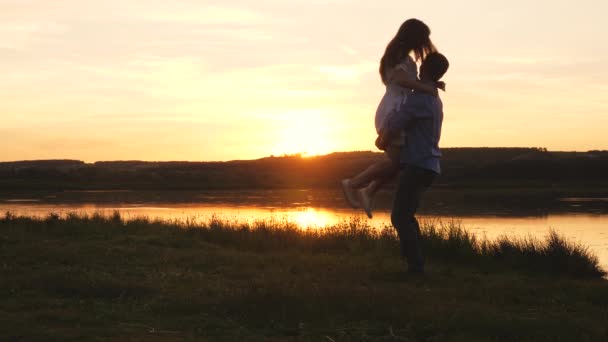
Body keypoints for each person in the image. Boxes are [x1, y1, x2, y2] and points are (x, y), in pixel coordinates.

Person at [341, 19, 442, 218]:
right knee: (397, 162)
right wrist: (428, 88)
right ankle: (353, 184)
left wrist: (432, 84)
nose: (425, 43)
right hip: (392, 110)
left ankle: (367, 191)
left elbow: (409, 81)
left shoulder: (403, 57)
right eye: (423, 38)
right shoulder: (398, 57)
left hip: (397, 107)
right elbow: (402, 80)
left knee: (400, 162)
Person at [376, 52, 450, 274]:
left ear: (425, 68)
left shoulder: (421, 98)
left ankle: (415, 267)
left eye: (421, 65)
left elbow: (398, 122)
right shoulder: (434, 97)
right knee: (406, 215)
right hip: (428, 166)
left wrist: (382, 139)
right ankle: (416, 262)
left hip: (418, 165)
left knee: (400, 217)